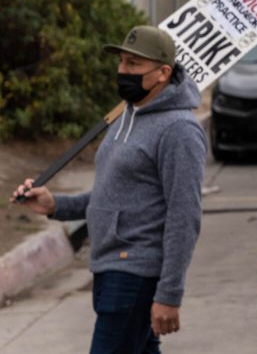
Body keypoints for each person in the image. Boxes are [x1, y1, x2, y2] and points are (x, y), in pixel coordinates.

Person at [11, 25, 207, 353]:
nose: (122, 71)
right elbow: (112, 196)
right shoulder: (127, 116)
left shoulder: (179, 131)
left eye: (133, 64)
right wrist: (54, 204)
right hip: (108, 267)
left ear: (162, 73)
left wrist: (169, 293)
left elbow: (184, 215)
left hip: (134, 272)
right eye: (121, 62)